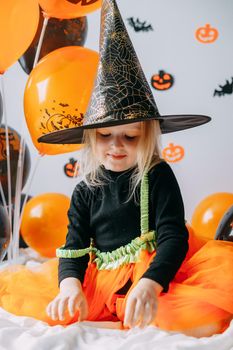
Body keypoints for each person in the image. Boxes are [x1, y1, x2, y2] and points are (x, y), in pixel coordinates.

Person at [0, 0, 232, 338]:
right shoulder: (85, 190)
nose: (116, 145)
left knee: (192, 314)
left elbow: (173, 236)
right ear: (91, 139)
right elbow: (75, 245)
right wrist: (70, 286)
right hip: (101, 278)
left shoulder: (157, 176)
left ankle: (149, 300)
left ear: (147, 136)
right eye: (106, 136)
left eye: (130, 136)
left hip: (156, 268)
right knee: (51, 303)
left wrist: (152, 283)